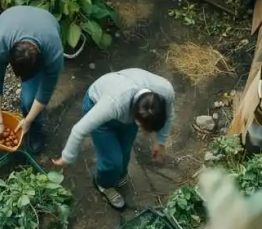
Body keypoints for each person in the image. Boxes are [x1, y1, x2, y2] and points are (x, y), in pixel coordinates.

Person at [52, 68, 174, 209]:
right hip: (97, 104)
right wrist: (67, 157)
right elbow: (79, 129)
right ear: (136, 120)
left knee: (125, 149)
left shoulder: (165, 92)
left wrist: (161, 142)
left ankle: (118, 175)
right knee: (113, 161)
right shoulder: (113, 104)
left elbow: (169, 116)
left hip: (125, 107)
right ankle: (103, 184)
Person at [0, 6, 64, 154]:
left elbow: (44, 93)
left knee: (29, 101)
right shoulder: (2, 44)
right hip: (8, 22)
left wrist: (28, 120)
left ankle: (35, 130)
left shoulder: (53, 54)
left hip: (46, 24)